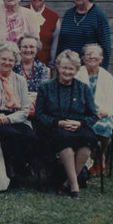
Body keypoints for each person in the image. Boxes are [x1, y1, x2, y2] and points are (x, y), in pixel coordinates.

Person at [35, 50, 99, 199]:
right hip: (54, 126)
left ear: (76, 70)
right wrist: (58, 122)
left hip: (78, 125)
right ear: (58, 67)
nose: (67, 71)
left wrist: (80, 123)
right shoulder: (46, 87)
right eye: (64, 67)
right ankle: (75, 185)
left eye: (71, 68)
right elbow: (39, 114)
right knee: (64, 140)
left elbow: (93, 114)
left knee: (87, 140)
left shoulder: (84, 88)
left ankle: (67, 183)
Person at [0, 42, 37, 180]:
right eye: (3, 59)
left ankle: (20, 166)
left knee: (30, 136)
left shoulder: (20, 81)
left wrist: (9, 119)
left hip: (14, 117)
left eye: (11, 60)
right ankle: (8, 169)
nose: (7, 62)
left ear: (16, 61)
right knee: (8, 134)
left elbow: (25, 110)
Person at [75, 44, 113, 176]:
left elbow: (112, 102)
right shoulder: (77, 74)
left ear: (101, 58)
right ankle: (85, 160)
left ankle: (100, 156)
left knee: (104, 128)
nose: (92, 56)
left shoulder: (107, 77)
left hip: (101, 114)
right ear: (83, 58)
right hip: (82, 114)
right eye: (88, 54)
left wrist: (106, 112)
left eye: (95, 54)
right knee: (82, 127)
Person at [54, 0, 111, 69]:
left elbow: (105, 47)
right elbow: (61, 44)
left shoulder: (98, 15)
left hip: (89, 69)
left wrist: (101, 71)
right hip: (67, 69)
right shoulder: (68, 14)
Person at [24, 0, 59, 65]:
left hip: (45, 65)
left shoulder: (54, 16)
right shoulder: (21, 12)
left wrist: (51, 65)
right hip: (22, 65)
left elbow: (55, 45)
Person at [14, 34, 50, 116]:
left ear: (37, 49)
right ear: (19, 49)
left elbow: (43, 93)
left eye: (32, 47)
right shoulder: (13, 67)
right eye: (25, 47)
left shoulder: (43, 69)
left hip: (36, 109)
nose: (28, 50)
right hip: (15, 108)